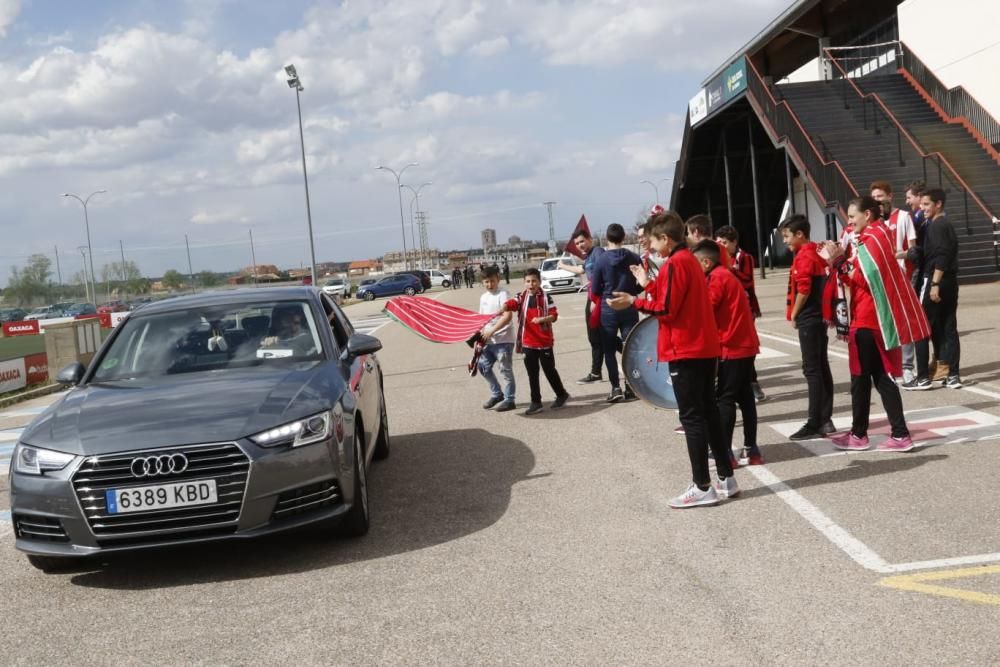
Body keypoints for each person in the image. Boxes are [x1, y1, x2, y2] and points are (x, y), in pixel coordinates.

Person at [608, 210, 738, 508]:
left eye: (652, 241)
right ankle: (726, 477)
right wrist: (646, 284)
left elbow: (666, 308)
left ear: (665, 238)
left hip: (686, 349)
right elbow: (674, 298)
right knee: (708, 414)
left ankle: (702, 486)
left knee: (692, 417)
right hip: (702, 348)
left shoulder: (675, 264)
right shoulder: (688, 261)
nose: (650, 247)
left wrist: (633, 301)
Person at [824, 196, 915, 451]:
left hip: (868, 318)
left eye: (853, 216)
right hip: (868, 317)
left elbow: (866, 279)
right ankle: (863, 433)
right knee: (865, 378)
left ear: (868, 214)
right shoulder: (876, 235)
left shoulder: (873, 238)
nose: (849, 221)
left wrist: (838, 261)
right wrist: (843, 259)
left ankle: (895, 434)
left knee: (874, 377)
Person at [692, 240, 762, 466]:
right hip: (744, 344)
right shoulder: (725, 274)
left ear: (706, 262)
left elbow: (705, 309)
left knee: (725, 398)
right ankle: (751, 449)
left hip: (732, 346)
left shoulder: (717, 278)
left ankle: (725, 453)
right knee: (744, 397)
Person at [780, 214, 835, 440]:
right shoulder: (815, 251)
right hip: (818, 317)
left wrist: (794, 313)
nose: (785, 241)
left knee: (812, 369)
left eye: (787, 236)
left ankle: (814, 421)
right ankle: (825, 418)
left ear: (799, 234)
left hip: (809, 318)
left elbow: (803, 289)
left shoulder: (804, 256)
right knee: (821, 367)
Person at [907, 188, 962, 390]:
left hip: (936, 280)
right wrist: (904, 254)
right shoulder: (942, 224)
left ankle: (922, 377)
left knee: (921, 328)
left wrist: (935, 284)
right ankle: (953, 375)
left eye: (926, 204)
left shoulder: (938, 225)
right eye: (921, 205)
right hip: (950, 281)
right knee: (949, 327)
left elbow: (941, 256)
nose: (922, 209)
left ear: (938, 204)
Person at [870, 180, 918, 384]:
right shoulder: (871, 221)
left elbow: (914, 249)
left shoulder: (904, 216)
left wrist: (899, 255)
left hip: (901, 276)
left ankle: (907, 367)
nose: (877, 201)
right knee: (883, 324)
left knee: (904, 323)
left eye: (880, 196)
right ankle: (888, 367)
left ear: (890, 196)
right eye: (873, 198)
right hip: (879, 280)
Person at [504, 268, 570, 415]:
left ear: (539, 282)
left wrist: (542, 319)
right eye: (528, 281)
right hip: (528, 341)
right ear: (524, 283)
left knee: (549, 370)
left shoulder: (546, 298)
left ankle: (561, 394)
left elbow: (554, 315)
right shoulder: (521, 297)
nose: (531, 284)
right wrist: (505, 305)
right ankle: (536, 402)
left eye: (534, 281)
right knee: (532, 373)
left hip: (544, 341)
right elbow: (513, 304)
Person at [590, 223, 642, 403]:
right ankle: (631, 387)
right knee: (630, 348)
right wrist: (631, 292)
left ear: (607, 238)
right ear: (624, 237)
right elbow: (643, 281)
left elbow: (595, 288)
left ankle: (615, 387)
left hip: (609, 307)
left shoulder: (601, 260)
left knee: (609, 350)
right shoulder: (634, 257)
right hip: (629, 305)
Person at [715, 224, 766, 403]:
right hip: (727, 309)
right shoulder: (717, 258)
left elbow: (747, 280)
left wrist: (729, 270)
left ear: (734, 242)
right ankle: (738, 385)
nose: (721, 245)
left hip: (746, 307)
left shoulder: (744, 257)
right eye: (719, 242)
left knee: (745, 348)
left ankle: (753, 383)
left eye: (725, 242)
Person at [558, 229, 606, 385]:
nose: (580, 245)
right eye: (577, 243)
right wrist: (563, 266)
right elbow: (580, 270)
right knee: (596, 338)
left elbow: (602, 275)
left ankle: (631, 357)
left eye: (582, 241)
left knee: (604, 337)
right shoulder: (588, 256)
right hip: (591, 298)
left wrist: (596, 299)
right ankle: (596, 372)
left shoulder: (598, 252)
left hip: (597, 299)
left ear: (590, 239)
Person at [477, 266, 517, 412]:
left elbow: (507, 317)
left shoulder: (504, 294)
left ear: (498, 279)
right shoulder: (483, 297)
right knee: (483, 367)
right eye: (486, 282)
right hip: (488, 340)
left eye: (492, 281)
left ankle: (509, 399)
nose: (489, 284)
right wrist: (480, 334)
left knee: (505, 370)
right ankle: (497, 394)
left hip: (503, 339)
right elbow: (481, 318)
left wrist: (492, 331)